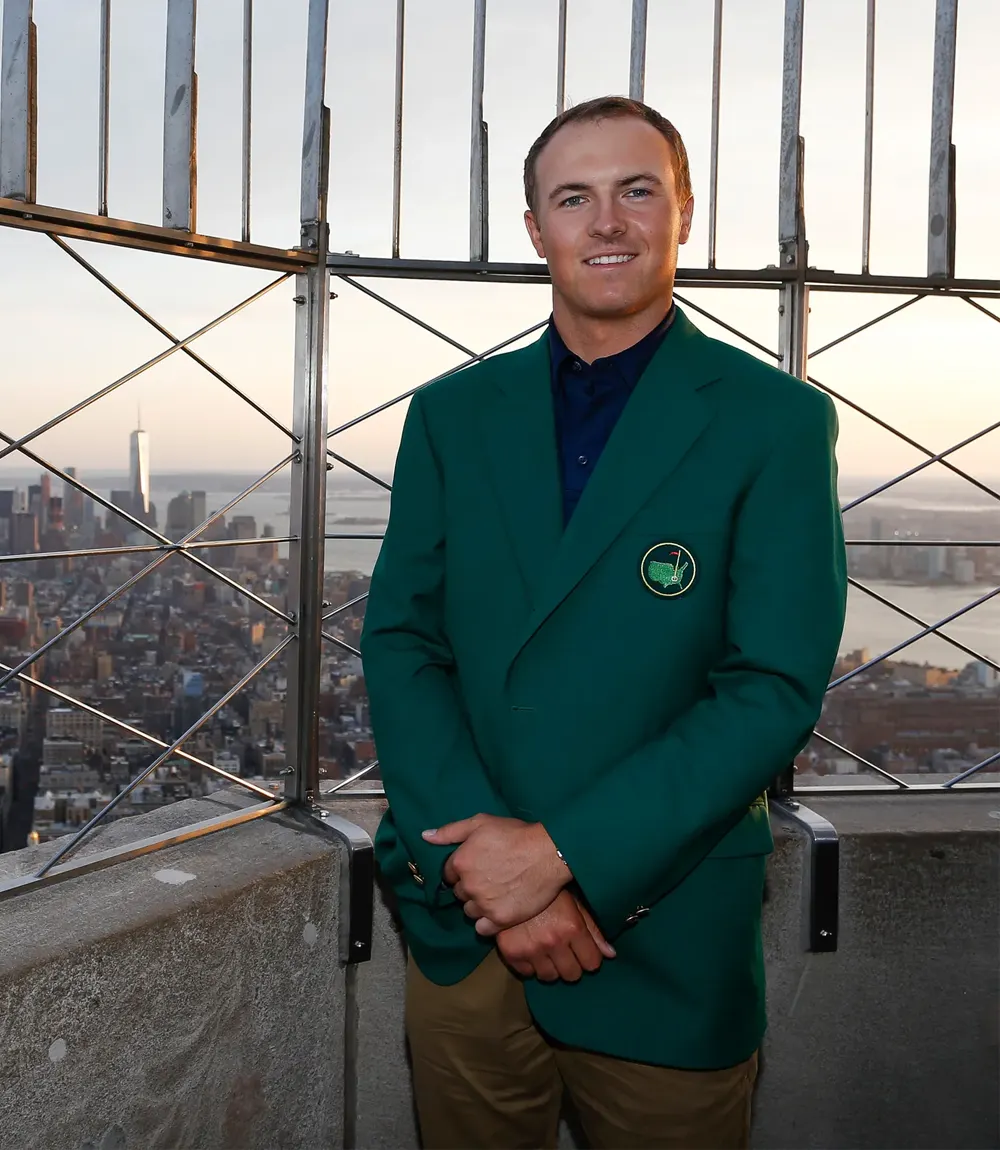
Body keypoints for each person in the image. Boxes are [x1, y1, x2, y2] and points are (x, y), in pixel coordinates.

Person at [360, 95, 847, 1150]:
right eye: (573, 198)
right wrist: (500, 877)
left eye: (636, 190)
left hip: (662, 935)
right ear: (536, 229)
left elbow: (771, 684)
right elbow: (402, 642)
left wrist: (565, 855)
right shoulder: (448, 415)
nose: (607, 221)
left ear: (683, 212)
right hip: (467, 924)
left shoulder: (775, 421)